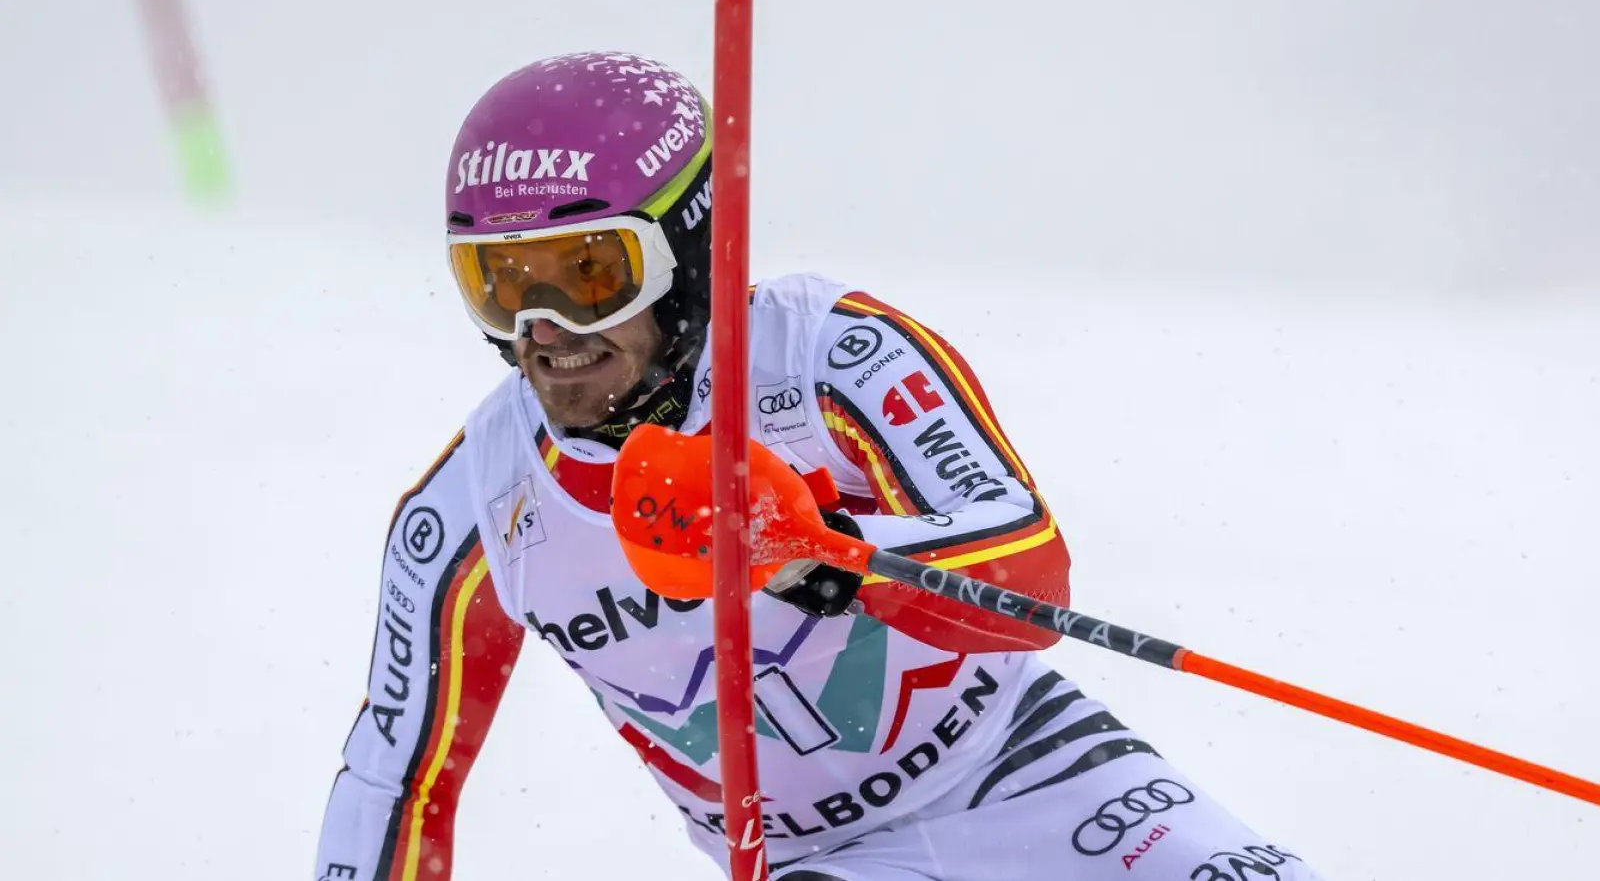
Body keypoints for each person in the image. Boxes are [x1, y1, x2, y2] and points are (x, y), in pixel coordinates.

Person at [312, 51, 1324, 881]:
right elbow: (400, 781)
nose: (543, 331)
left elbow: (1032, 567)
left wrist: (831, 553)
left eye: (588, 274)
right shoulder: (477, 511)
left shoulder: (825, 357)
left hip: (1033, 769)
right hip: (820, 862)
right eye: (497, 285)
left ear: (686, 243)